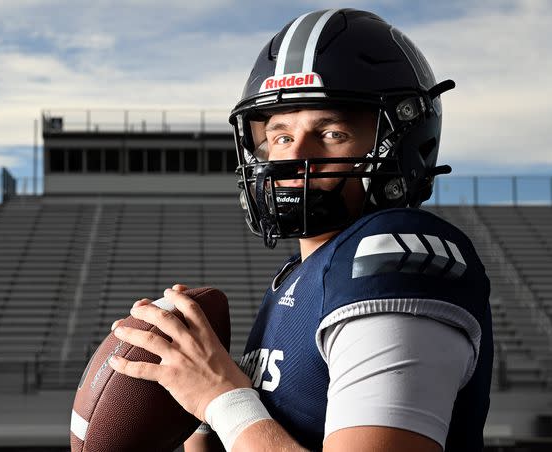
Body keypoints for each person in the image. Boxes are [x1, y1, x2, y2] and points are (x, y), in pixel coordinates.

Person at [109, 8, 493, 452]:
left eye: (331, 133)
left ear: (400, 145)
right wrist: (198, 408)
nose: (294, 159)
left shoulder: (389, 255)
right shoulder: (296, 278)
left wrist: (222, 399)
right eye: (281, 136)